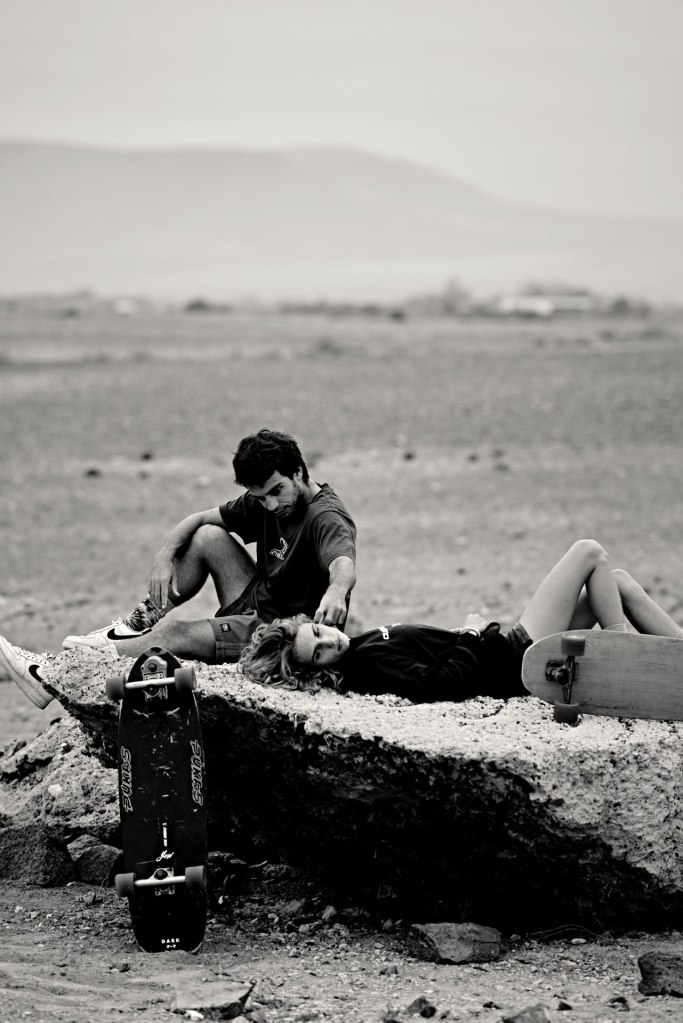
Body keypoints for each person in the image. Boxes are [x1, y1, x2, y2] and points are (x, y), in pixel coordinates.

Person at [0, 429, 356, 709]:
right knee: (207, 536)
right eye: (261, 497)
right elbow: (200, 518)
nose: (271, 504)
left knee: (172, 635)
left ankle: (51, 674)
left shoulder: (326, 517)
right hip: (258, 601)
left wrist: (337, 590)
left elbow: (343, 563)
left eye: (277, 491)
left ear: (297, 472)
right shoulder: (266, 500)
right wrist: (164, 556)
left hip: (278, 635)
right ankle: (134, 626)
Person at [238, 539, 683, 701]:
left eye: (318, 632)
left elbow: (431, 657)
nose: (329, 641)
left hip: (505, 646)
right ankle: (628, 652)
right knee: (589, 552)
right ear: (319, 671)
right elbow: (443, 686)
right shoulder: (368, 665)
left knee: (618, 582)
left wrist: (460, 635)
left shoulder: (364, 647)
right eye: (318, 654)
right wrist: (471, 634)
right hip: (514, 656)